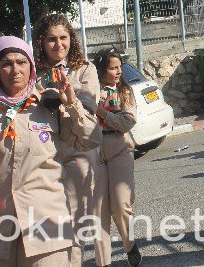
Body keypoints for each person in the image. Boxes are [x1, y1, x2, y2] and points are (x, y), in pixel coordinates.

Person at [0, 36, 101, 266]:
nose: (15, 69)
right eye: (6, 63)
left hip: (47, 230)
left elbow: (90, 140)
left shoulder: (50, 106)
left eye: (21, 62)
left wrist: (72, 104)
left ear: (31, 66)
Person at [33, 13, 100, 266]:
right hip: (45, 154)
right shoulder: (33, 73)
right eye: (51, 39)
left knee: (74, 223)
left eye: (63, 38)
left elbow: (89, 103)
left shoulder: (84, 69)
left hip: (77, 150)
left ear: (71, 39)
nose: (58, 44)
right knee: (46, 223)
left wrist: (61, 99)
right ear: (41, 42)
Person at [91, 48, 141, 267]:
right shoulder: (90, 91)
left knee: (121, 204)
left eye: (120, 67)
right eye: (113, 68)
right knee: (98, 210)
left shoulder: (125, 92)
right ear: (102, 70)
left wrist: (100, 112)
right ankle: (104, 262)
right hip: (94, 149)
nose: (119, 71)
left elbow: (127, 122)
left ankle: (129, 244)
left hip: (120, 146)